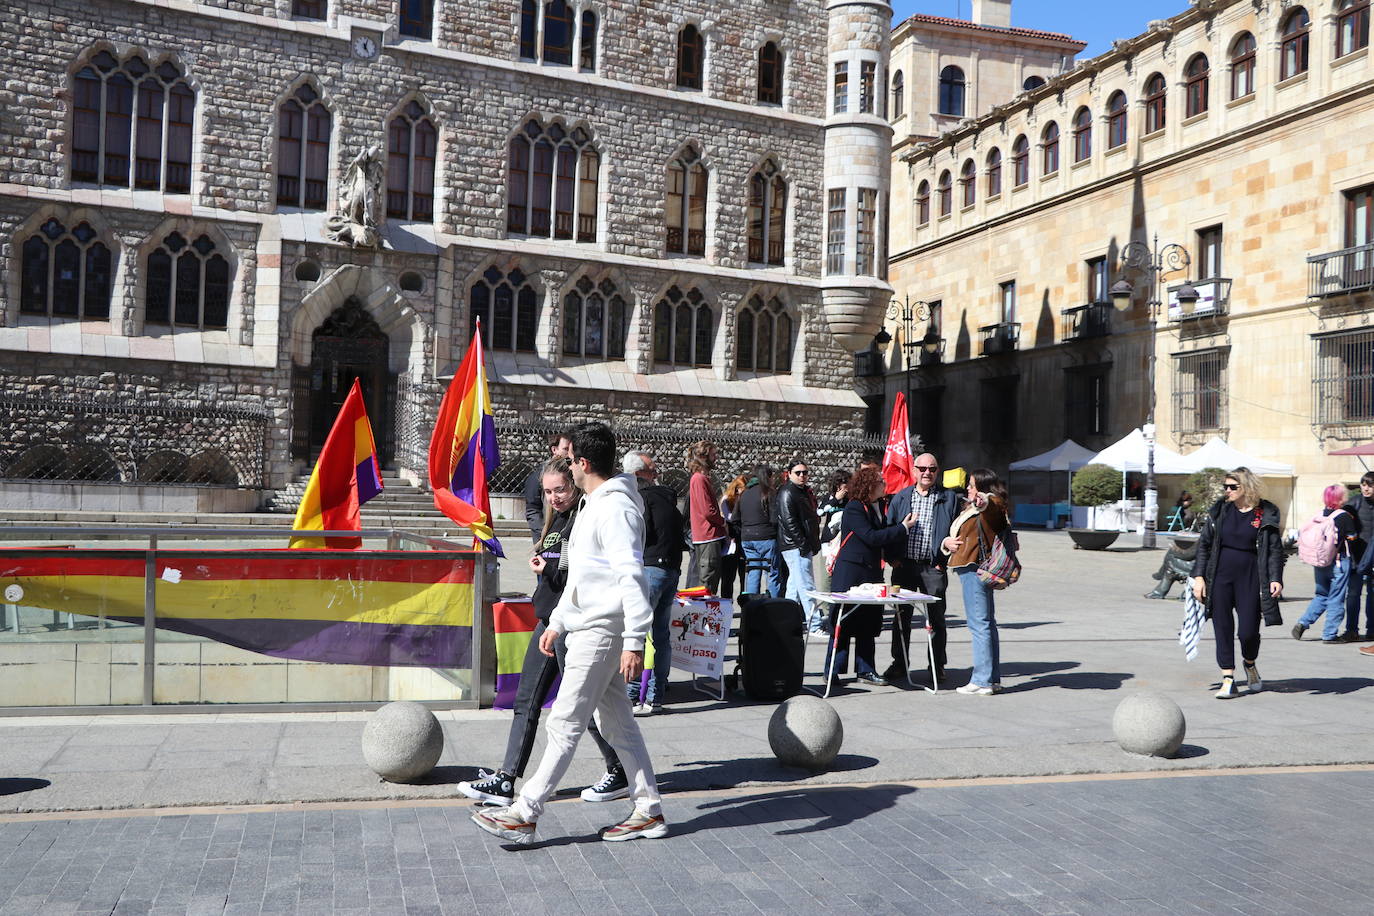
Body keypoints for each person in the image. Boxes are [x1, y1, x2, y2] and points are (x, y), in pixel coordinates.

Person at [471, 422, 665, 846]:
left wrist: (635, 640)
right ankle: (648, 809)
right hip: (586, 626)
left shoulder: (614, 508)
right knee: (616, 725)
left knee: (565, 721)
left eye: (570, 457)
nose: (566, 465)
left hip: (601, 630)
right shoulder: (597, 504)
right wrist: (558, 620)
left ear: (583, 463)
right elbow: (583, 574)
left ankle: (525, 810)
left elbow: (631, 577)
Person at [457, 458, 624, 808]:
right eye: (547, 492)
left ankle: (619, 768)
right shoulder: (558, 519)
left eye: (559, 489)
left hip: (572, 626)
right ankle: (506, 780)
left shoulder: (582, 518)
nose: (553, 497)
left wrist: (548, 568)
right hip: (548, 620)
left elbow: (581, 578)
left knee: (586, 708)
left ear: (574, 484)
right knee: (527, 701)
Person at [1190, 467, 1284, 700]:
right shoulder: (1220, 511)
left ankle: (1249, 663)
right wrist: (1199, 577)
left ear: (1247, 487)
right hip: (1220, 576)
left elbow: (1274, 550)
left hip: (1251, 577)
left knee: (1248, 632)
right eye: (1226, 487)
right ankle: (1228, 679)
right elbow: (1203, 546)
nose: (1228, 491)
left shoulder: (1264, 513)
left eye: (1233, 487)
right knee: (1222, 627)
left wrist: (1275, 578)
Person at [825, 466, 916, 687]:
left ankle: (866, 670)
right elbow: (872, 537)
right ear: (869, 486)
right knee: (842, 621)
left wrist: (893, 556)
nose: (885, 486)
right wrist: (903, 528)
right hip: (850, 572)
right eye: (880, 482)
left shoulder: (879, 506)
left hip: (871, 571)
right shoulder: (854, 507)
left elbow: (882, 538)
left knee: (867, 622)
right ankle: (832, 671)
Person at [884, 452, 961, 685]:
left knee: (936, 619)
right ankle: (900, 663)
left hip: (932, 568)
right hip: (904, 566)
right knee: (901, 618)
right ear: (914, 471)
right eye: (923, 468)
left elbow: (958, 529)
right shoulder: (901, 497)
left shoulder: (949, 498)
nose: (927, 473)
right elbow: (889, 528)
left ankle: (937, 666)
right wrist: (891, 557)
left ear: (937, 472)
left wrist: (944, 560)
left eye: (932, 469)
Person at [622, 450, 685, 715]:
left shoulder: (640, 500)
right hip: (670, 569)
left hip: (649, 569)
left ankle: (633, 694)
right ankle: (656, 695)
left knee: (636, 633)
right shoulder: (668, 499)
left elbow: (637, 534)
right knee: (660, 635)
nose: (656, 474)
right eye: (653, 470)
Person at [943, 468, 1010, 696]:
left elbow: (991, 508)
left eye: (971, 485)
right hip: (972, 567)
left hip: (975, 568)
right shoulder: (973, 507)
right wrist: (946, 543)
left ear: (982, 487)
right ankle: (992, 678)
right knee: (987, 624)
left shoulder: (991, 502)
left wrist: (982, 500)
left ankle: (981, 679)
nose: (968, 489)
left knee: (979, 625)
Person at [1292, 484, 1358, 644]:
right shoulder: (1343, 516)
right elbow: (1352, 537)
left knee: (1321, 595)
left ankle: (1303, 622)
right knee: (1336, 598)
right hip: (1338, 562)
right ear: (1340, 498)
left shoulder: (1319, 515)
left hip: (1320, 562)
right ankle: (1329, 634)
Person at [777, 459, 821, 631]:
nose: (802, 475)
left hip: (799, 544)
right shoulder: (788, 492)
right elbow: (789, 521)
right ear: (789, 473)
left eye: (805, 472)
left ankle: (786, 622)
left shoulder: (802, 491)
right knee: (806, 585)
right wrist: (803, 544)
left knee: (795, 586)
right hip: (795, 546)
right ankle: (814, 623)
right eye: (798, 472)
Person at [813, 469, 850, 634]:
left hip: (844, 544)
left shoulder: (851, 501)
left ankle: (842, 612)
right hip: (828, 543)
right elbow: (820, 512)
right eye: (844, 484)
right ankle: (827, 614)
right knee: (826, 579)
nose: (846, 488)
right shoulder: (829, 499)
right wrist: (836, 499)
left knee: (843, 578)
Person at [687, 440, 727, 595]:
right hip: (707, 537)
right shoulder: (699, 479)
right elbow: (708, 511)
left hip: (707, 537)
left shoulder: (701, 478)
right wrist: (723, 521)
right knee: (707, 584)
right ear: (704, 456)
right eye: (713, 454)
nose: (716, 458)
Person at [737, 464, 782, 596]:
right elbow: (774, 519)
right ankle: (773, 606)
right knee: (772, 573)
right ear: (768, 477)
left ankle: (752, 607)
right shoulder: (769, 492)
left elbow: (735, 518)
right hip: (766, 537)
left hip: (747, 538)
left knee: (753, 571)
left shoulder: (744, 493)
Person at [522, 431, 572, 541]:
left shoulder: (576, 473)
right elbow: (533, 510)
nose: (570, 453)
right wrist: (543, 538)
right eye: (566, 449)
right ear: (554, 450)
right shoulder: (538, 476)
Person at [1342, 472, 1374, 641]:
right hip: (1356, 558)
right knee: (1353, 594)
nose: (1365, 488)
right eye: (1363, 484)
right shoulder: (1353, 504)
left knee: (1372, 595)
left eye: (1369, 485)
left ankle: (1372, 630)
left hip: (1373, 558)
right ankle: (1351, 630)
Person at [718, 474, 748, 599]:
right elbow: (728, 517)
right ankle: (726, 602)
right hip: (729, 541)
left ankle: (745, 603)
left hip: (742, 539)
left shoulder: (745, 500)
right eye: (740, 491)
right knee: (728, 576)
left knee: (744, 576)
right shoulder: (726, 500)